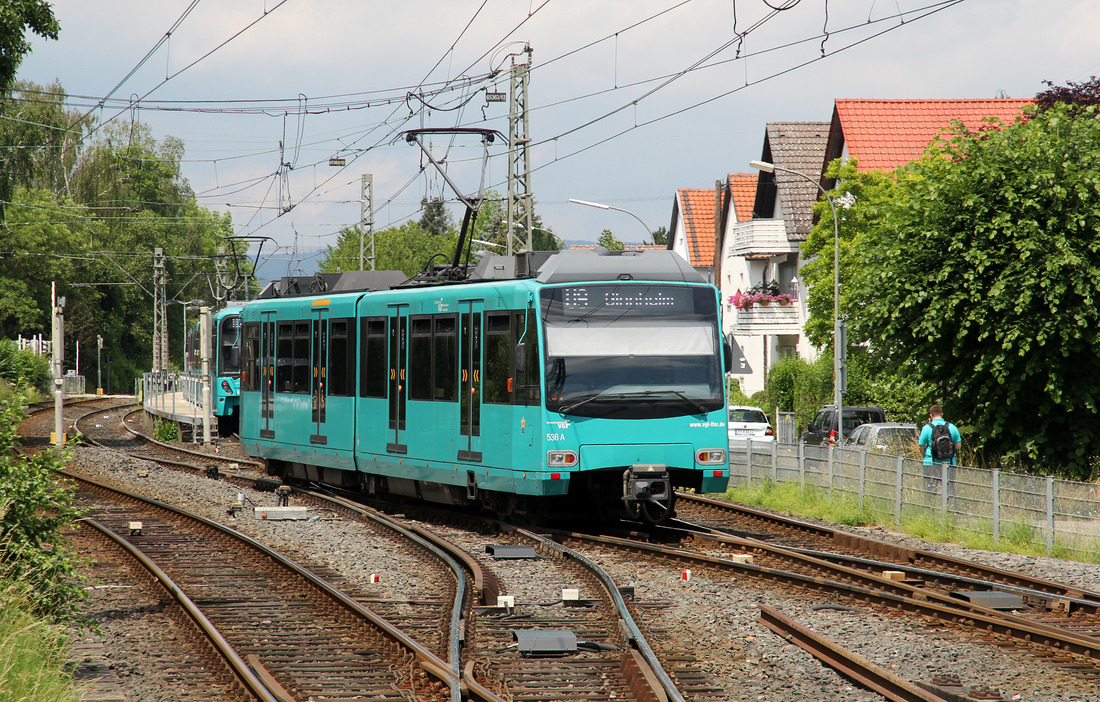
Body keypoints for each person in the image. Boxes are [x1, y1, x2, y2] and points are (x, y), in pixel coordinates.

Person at [918, 404, 962, 505]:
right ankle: (951, 509)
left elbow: (921, 445)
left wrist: (925, 456)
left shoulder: (927, 428)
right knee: (949, 487)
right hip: (949, 463)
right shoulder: (951, 427)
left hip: (931, 462)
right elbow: (958, 445)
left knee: (929, 487)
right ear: (941, 414)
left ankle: (930, 508)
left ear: (930, 415)